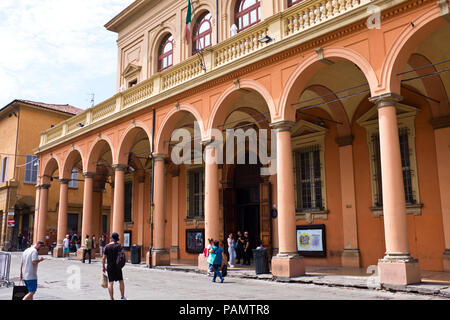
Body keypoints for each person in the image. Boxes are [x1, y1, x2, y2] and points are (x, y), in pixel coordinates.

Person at [103, 232, 126, 300]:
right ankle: (122, 297)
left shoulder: (107, 246)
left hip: (110, 266)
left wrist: (103, 267)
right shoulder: (119, 246)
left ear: (111, 238)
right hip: (118, 266)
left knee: (110, 283)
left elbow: (103, 258)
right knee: (121, 281)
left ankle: (111, 298)